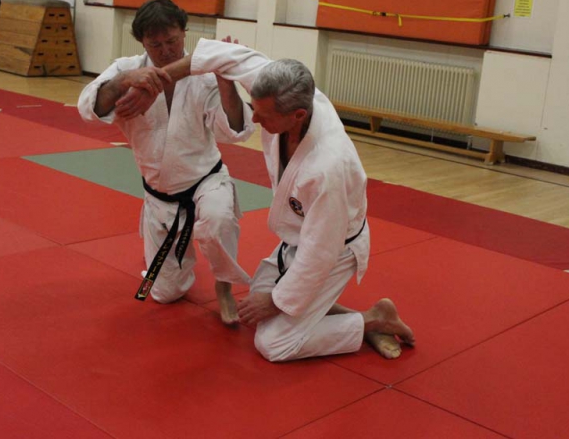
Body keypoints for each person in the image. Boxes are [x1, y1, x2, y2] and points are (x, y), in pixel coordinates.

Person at [152, 38, 415, 362]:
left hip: (336, 248)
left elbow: (321, 251)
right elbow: (223, 54)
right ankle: (348, 313)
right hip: (299, 237)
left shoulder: (329, 166)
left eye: (264, 116)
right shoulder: (278, 86)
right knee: (259, 300)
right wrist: (155, 79)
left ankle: (371, 321)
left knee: (273, 342)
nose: (255, 120)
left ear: (298, 115)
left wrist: (277, 302)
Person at [77, 0, 254, 324]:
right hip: (160, 196)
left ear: (184, 32)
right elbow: (89, 108)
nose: (166, 51)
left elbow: (234, 131)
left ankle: (224, 285)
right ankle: (169, 264)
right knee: (165, 294)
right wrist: (125, 81)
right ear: (142, 43)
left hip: (205, 181)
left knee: (217, 220)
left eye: (172, 41)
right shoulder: (127, 70)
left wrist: (225, 81)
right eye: (155, 45)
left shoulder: (203, 76)